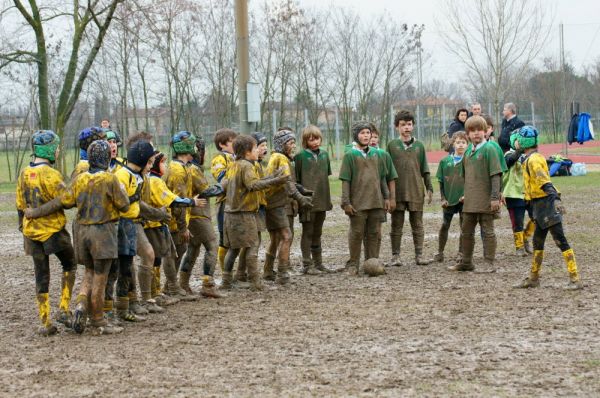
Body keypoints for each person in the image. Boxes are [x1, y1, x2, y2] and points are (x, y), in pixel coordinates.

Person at [50, 140, 129, 335]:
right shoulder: (110, 179)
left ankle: (79, 307)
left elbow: (67, 202)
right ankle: (98, 320)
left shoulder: (80, 178)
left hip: (82, 232)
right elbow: (124, 205)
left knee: (88, 273)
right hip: (103, 232)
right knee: (100, 278)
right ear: (107, 158)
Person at [16, 131, 76, 335]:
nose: (59, 151)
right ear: (50, 149)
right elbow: (67, 200)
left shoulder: (24, 173)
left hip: (30, 233)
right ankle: (64, 308)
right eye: (57, 147)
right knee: (70, 263)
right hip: (53, 231)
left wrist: (22, 226)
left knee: (41, 275)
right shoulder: (52, 174)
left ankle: (45, 321)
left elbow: (19, 205)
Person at [512, 126, 582, 290]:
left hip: (547, 204)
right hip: (538, 206)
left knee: (561, 241)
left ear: (523, 141)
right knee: (538, 241)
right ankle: (534, 278)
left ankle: (575, 279)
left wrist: (555, 199)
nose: (515, 142)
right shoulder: (529, 157)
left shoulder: (534, 159)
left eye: (518, 139)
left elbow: (544, 181)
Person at [221, 135, 288, 291]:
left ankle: (226, 282)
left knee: (234, 248)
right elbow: (253, 185)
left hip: (231, 213)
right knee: (252, 246)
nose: (259, 150)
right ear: (247, 152)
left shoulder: (234, 164)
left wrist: (274, 175)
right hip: (244, 213)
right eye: (255, 148)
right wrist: (276, 181)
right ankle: (255, 283)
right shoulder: (247, 166)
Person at [448, 116, 503, 272]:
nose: (476, 133)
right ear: (468, 134)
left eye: (479, 130)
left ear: (485, 131)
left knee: (487, 231)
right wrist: (466, 194)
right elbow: (467, 177)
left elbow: (496, 175)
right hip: (470, 202)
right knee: (466, 231)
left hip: (486, 201)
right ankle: (466, 262)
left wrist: (494, 198)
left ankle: (489, 263)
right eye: (472, 131)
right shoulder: (467, 152)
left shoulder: (490, 149)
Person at [113, 139, 157, 321]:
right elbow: (121, 202)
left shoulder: (138, 176)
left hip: (132, 223)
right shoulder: (122, 176)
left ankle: (133, 302)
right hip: (122, 223)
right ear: (143, 161)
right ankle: (124, 306)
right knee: (125, 266)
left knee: (129, 264)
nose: (151, 166)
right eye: (150, 162)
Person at [263, 129, 313, 284]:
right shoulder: (282, 159)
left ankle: (267, 271)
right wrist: (300, 198)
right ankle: (283, 273)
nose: (293, 146)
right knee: (287, 236)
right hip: (276, 204)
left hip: (270, 204)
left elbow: (287, 180)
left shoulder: (276, 157)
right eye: (291, 143)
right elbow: (286, 183)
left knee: (275, 238)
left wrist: (300, 189)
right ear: (282, 144)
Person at [339, 121, 388, 275]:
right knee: (357, 233)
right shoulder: (350, 155)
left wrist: (386, 197)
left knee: (374, 233)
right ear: (356, 135)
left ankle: (372, 262)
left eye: (368, 133)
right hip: (358, 203)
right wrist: (345, 202)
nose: (366, 136)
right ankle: (353, 264)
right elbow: (345, 180)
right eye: (362, 133)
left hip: (376, 201)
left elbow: (382, 179)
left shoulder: (376, 154)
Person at [178, 137, 224, 298]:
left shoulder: (190, 168)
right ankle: (208, 284)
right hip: (198, 214)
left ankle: (183, 284)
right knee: (212, 245)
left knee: (193, 248)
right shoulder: (194, 169)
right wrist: (224, 185)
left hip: (194, 213)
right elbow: (206, 190)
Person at [387, 110, 433, 267]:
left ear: (413, 126)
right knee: (396, 224)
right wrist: (388, 194)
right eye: (402, 125)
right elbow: (387, 171)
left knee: (417, 224)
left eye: (409, 124)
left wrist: (429, 187)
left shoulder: (419, 146)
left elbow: (425, 169)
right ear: (396, 127)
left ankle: (419, 255)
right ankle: (395, 256)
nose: (406, 127)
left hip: (415, 190)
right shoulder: (391, 146)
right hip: (397, 192)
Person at [163, 131, 201, 301]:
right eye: (193, 144)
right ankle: (171, 287)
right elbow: (178, 202)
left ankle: (169, 286)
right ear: (186, 147)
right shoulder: (178, 171)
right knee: (175, 253)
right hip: (173, 221)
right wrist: (182, 227)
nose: (196, 147)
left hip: (177, 221)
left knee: (180, 250)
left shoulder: (182, 167)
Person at [294, 125, 333, 274]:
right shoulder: (299, 157)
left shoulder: (324, 154)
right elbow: (296, 180)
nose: (315, 142)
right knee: (308, 231)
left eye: (317, 139)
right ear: (305, 141)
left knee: (318, 232)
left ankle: (319, 263)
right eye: (311, 140)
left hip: (322, 200)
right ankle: (307, 264)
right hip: (307, 202)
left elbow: (326, 176)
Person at [434, 131, 467, 264]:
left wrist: (467, 195)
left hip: (464, 200)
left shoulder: (469, 161)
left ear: (467, 145)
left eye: (463, 142)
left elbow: (473, 181)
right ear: (453, 144)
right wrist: (442, 198)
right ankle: (440, 252)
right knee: (444, 225)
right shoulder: (444, 161)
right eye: (458, 142)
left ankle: (461, 252)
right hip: (449, 200)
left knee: (464, 227)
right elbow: (441, 181)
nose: (460, 145)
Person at [211, 128, 238, 273]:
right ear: (222, 144)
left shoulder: (237, 157)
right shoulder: (219, 159)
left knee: (236, 238)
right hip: (225, 203)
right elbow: (222, 179)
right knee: (224, 238)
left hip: (238, 203)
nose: (236, 144)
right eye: (233, 142)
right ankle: (224, 271)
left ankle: (234, 269)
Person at [503, 136, 534, 257]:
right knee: (517, 222)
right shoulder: (508, 155)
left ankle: (525, 237)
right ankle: (519, 246)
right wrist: (519, 150)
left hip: (529, 192)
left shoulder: (530, 155)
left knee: (536, 217)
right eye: (519, 140)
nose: (521, 142)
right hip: (513, 193)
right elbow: (509, 161)